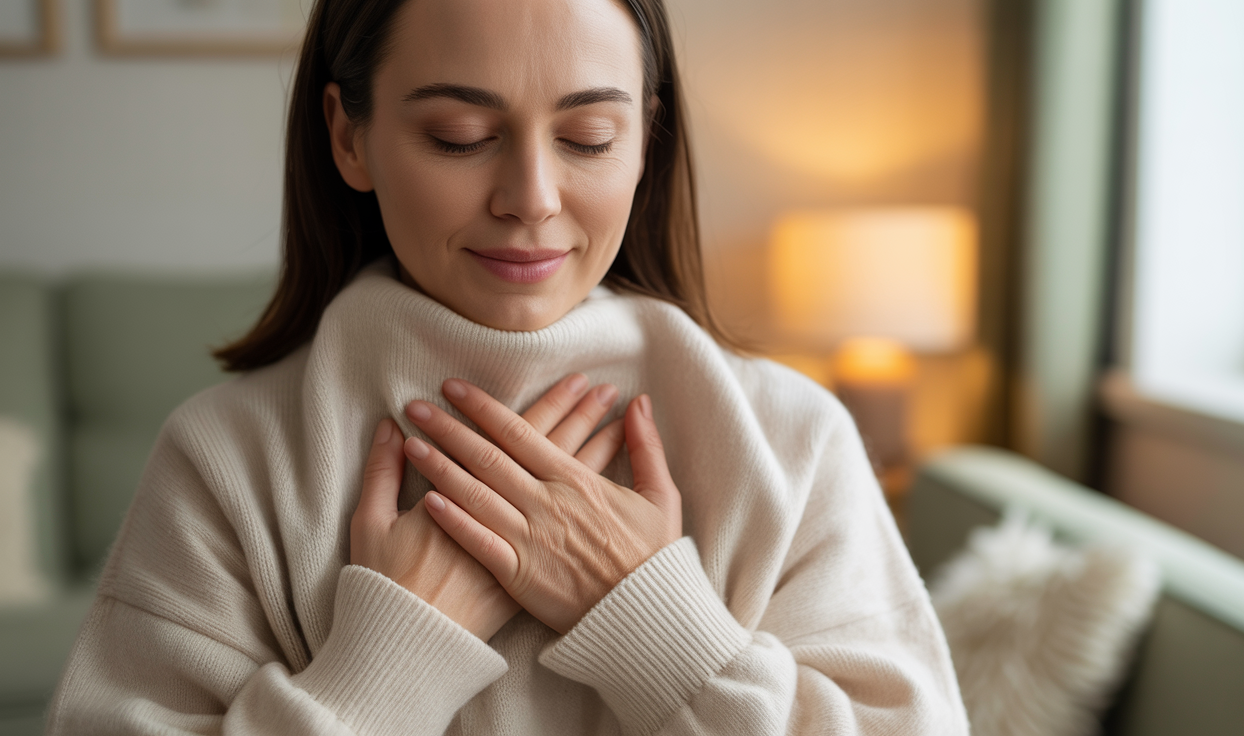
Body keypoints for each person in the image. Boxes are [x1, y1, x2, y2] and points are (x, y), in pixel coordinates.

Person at [47, 0, 969, 733]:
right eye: (458, 135)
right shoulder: (225, 458)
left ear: (646, 139)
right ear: (349, 136)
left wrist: (660, 630)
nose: (530, 199)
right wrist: (385, 665)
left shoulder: (791, 439)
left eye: (588, 140)